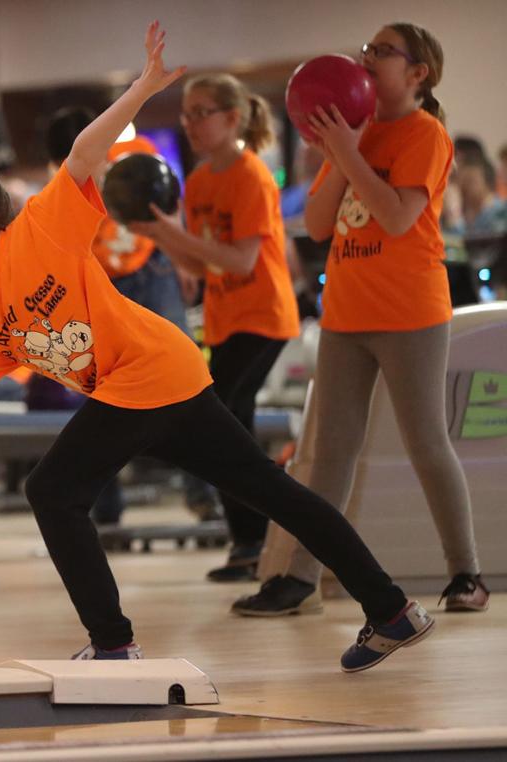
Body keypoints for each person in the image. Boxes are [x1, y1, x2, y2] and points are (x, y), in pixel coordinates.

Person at [0, 23, 432, 673]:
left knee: (53, 489)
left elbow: (84, 152)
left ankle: (113, 643)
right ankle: (392, 609)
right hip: (154, 381)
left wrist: (142, 88)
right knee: (267, 491)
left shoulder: (40, 230)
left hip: (152, 371)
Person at [234, 22, 488, 616]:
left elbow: (399, 218)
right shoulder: (358, 129)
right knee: (331, 453)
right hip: (347, 314)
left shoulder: (425, 134)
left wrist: (348, 153)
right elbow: (320, 225)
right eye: (366, 50)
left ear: (418, 72)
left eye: (382, 52)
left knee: (426, 443)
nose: (366, 58)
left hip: (410, 313)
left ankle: (465, 574)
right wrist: (339, 151)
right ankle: (299, 577)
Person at [130, 73, 300, 581]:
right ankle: (249, 542)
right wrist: (158, 236)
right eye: (186, 114)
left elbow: (243, 260)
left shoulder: (253, 176)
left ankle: (261, 536)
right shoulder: (200, 182)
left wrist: (169, 232)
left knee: (222, 420)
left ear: (233, 117)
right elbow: (206, 267)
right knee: (227, 428)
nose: (191, 124)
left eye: (201, 112)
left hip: (264, 316)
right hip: (227, 319)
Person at [43, 106, 217, 525]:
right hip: (105, 283)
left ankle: (203, 494)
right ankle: (106, 506)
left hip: (150, 267)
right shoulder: (63, 178)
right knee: (103, 392)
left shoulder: (135, 151)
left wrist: (180, 262)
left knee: (183, 378)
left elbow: (168, 206)